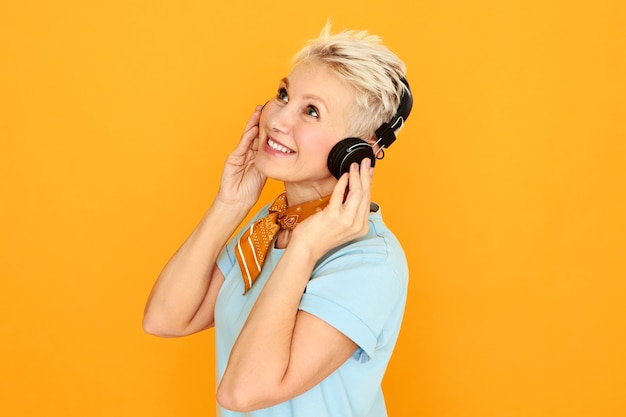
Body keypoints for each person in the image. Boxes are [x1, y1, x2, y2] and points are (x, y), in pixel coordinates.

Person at [143, 23, 411, 417]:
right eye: (284, 95)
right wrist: (230, 203)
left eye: (311, 111)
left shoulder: (369, 263)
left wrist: (303, 248)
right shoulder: (269, 230)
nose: (279, 119)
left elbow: (243, 392)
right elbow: (165, 318)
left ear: (357, 150)